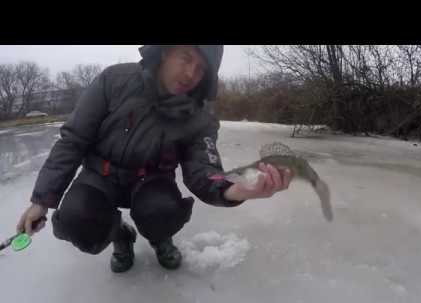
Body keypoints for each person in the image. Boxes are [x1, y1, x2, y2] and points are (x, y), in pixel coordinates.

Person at [16, 45, 293, 273]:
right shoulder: (113, 80)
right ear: (164, 52)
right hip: (99, 176)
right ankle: (121, 236)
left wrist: (234, 189)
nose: (190, 74)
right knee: (77, 221)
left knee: (164, 211)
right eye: (186, 58)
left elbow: (203, 169)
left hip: (152, 180)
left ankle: (161, 237)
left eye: (201, 69)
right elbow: (73, 139)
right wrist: (41, 201)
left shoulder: (200, 116)